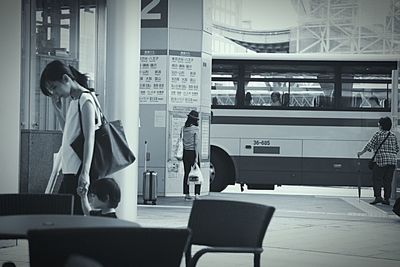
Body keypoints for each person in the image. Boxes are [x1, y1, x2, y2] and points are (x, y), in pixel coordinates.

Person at [40, 60, 102, 214]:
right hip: (71, 170)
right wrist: (57, 109)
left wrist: (85, 173)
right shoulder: (76, 101)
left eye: (54, 87)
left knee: (71, 219)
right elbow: (68, 134)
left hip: (78, 170)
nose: (55, 93)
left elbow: (90, 138)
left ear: (66, 79)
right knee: (67, 218)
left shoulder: (85, 100)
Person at [357, 117, 399, 205]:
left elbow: (369, 145)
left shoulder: (378, 134)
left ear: (381, 125)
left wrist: (361, 153)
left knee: (377, 179)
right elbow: (397, 149)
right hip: (392, 162)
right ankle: (387, 199)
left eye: (379, 124)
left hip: (381, 161)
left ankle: (378, 197)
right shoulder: (393, 136)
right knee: (388, 181)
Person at [182, 110, 201, 200]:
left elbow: (181, 140)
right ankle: (197, 194)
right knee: (197, 173)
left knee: (186, 173)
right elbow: (196, 144)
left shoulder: (184, 128)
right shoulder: (195, 129)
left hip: (185, 152)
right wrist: (196, 157)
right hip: (193, 152)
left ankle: (186, 194)